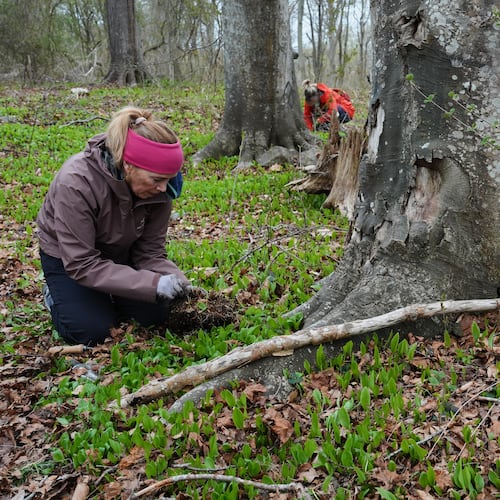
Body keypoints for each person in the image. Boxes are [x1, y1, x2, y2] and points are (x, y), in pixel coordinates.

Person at [36, 106, 191, 346]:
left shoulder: (162, 189)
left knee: (156, 315)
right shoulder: (77, 183)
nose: (163, 188)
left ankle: (108, 295)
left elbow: (150, 252)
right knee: (91, 331)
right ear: (129, 165)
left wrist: (177, 281)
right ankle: (56, 296)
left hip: (120, 252)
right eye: (157, 180)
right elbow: (82, 263)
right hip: (71, 259)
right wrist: (152, 284)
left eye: (169, 179)